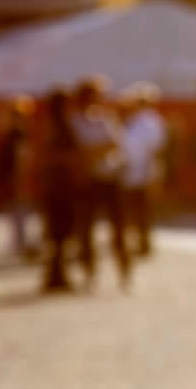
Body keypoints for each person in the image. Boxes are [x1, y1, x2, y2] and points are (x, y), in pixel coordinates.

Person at [68, 79, 131, 289]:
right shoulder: (75, 121)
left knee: (119, 228)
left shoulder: (106, 118)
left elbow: (115, 144)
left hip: (110, 179)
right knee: (86, 229)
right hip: (88, 181)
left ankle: (124, 272)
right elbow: (78, 150)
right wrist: (97, 151)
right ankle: (89, 272)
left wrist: (92, 152)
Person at [31, 89, 83, 293]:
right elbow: (49, 155)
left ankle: (57, 273)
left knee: (60, 233)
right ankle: (55, 274)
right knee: (58, 232)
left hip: (58, 186)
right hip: (59, 187)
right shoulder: (56, 126)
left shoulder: (55, 124)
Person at [117, 84, 167, 257]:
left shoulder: (151, 122)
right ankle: (134, 241)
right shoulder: (131, 121)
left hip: (144, 173)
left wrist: (152, 174)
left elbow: (155, 150)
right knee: (131, 210)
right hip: (128, 173)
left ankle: (144, 243)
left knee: (143, 210)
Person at [0, 94, 37, 259]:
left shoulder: (19, 133)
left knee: (19, 209)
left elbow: (22, 155)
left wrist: (20, 176)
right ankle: (20, 240)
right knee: (16, 208)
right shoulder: (14, 132)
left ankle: (21, 240)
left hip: (16, 174)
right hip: (12, 173)